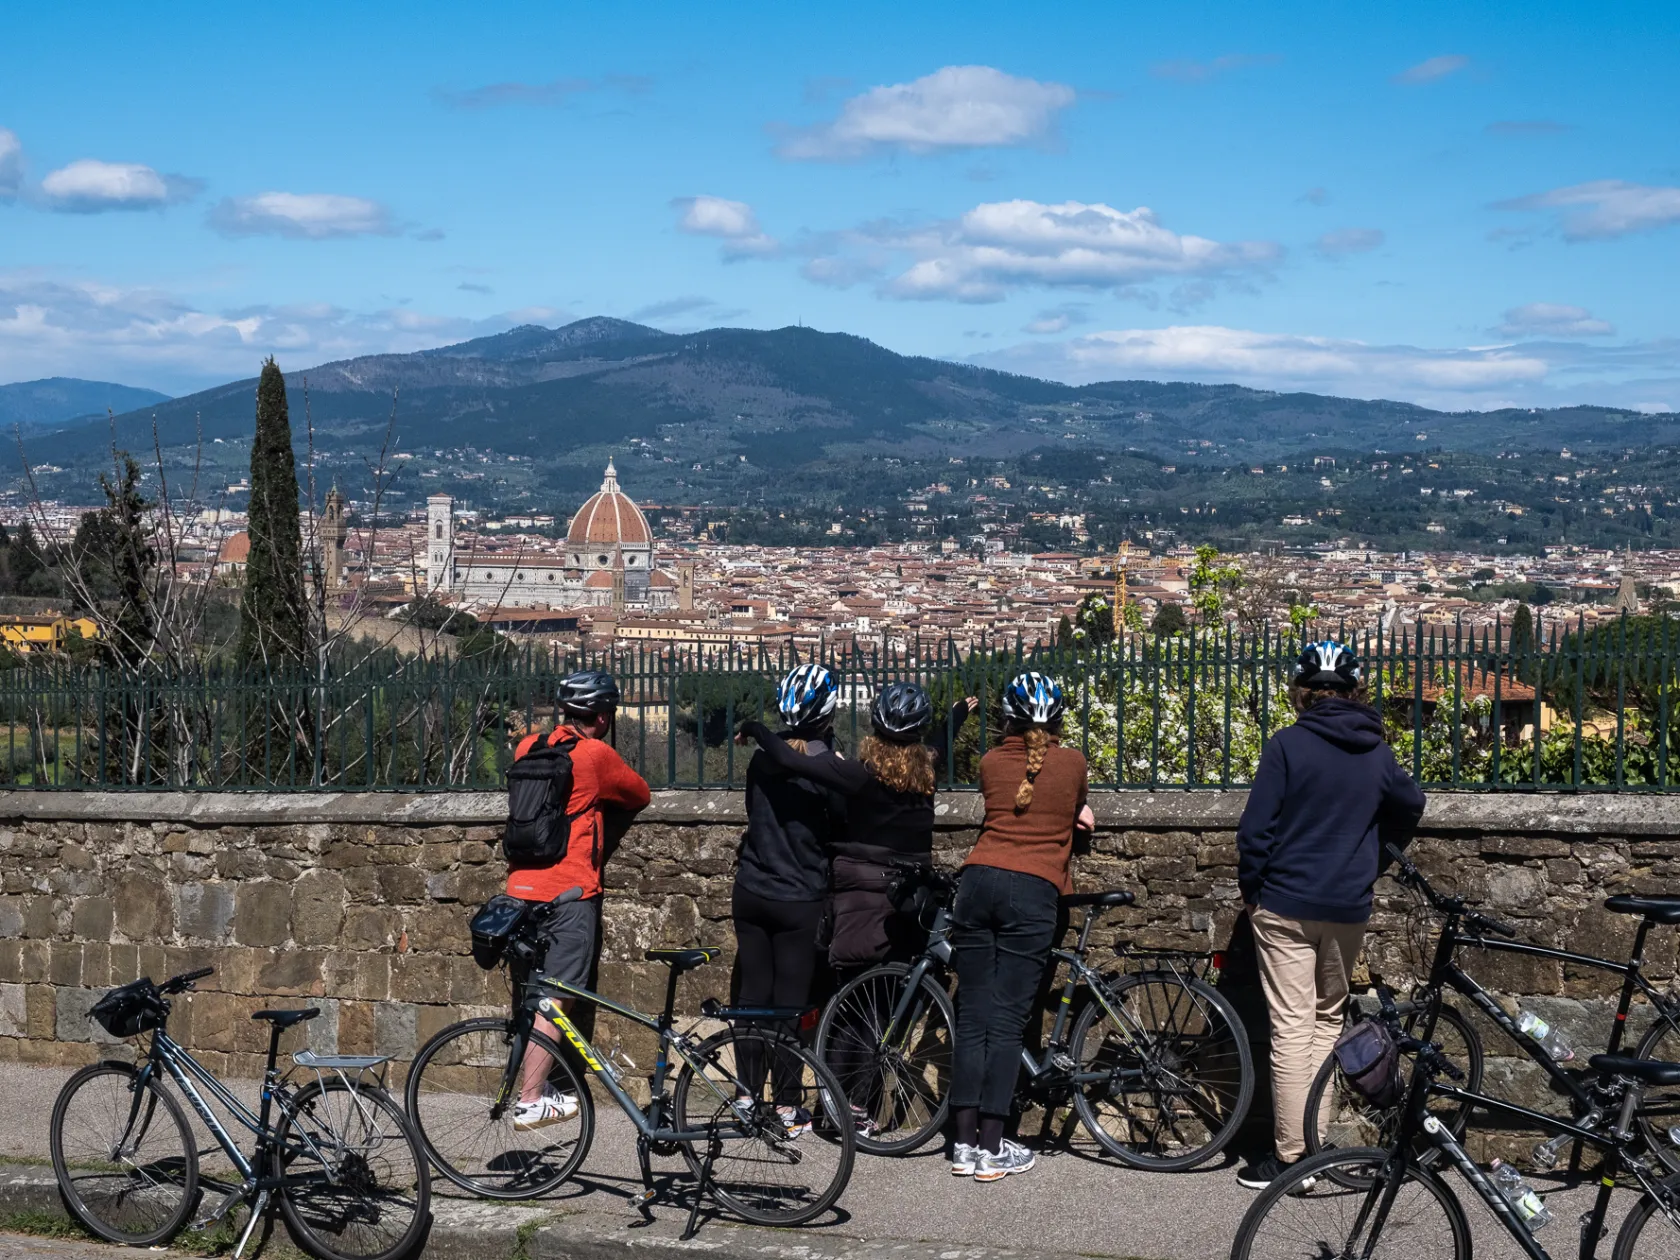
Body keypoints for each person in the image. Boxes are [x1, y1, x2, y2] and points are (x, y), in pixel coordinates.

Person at [1234, 640, 1425, 1188]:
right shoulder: (1377, 751)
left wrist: (1254, 892)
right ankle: (1313, 1149)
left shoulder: (1287, 746)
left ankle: (1293, 1160)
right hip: (1347, 904)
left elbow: (1254, 832)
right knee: (1325, 1022)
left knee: (1291, 1028)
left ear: (1303, 692)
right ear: (1354, 691)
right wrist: (1374, 857)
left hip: (1285, 903)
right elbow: (1411, 806)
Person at [949, 671, 1093, 1183]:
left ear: (1007, 716)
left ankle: (963, 1144)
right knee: (1009, 1023)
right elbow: (1072, 810)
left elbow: (1015, 797)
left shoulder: (990, 762)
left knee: (972, 1017)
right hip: (1031, 892)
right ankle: (994, 1147)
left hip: (978, 881)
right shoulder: (1073, 763)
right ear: (1056, 718)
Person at [738, 680, 975, 970]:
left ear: (875, 730)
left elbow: (790, 758)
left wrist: (754, 728)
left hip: (862, 880)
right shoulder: (926, 768)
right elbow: (940, 742)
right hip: (913, 883)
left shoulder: (857, 774)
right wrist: (958, 712)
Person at [507, 669, 651, 1131]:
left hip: (519, 891)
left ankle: (535, 1084)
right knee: (555, 997)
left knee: (532, 996)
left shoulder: (527, 747)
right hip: (570, 893)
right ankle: (531, 1098)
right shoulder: (595, 756)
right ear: (603, 718)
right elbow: (639, 794)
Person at [731, 663, 846, 1136]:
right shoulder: (828, 770)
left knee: (752, 995)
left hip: (753, 888)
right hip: (800, 896)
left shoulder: (763, 761)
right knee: (791, 1002)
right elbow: (840, 826)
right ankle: (785, 1103)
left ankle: (745, 1094)